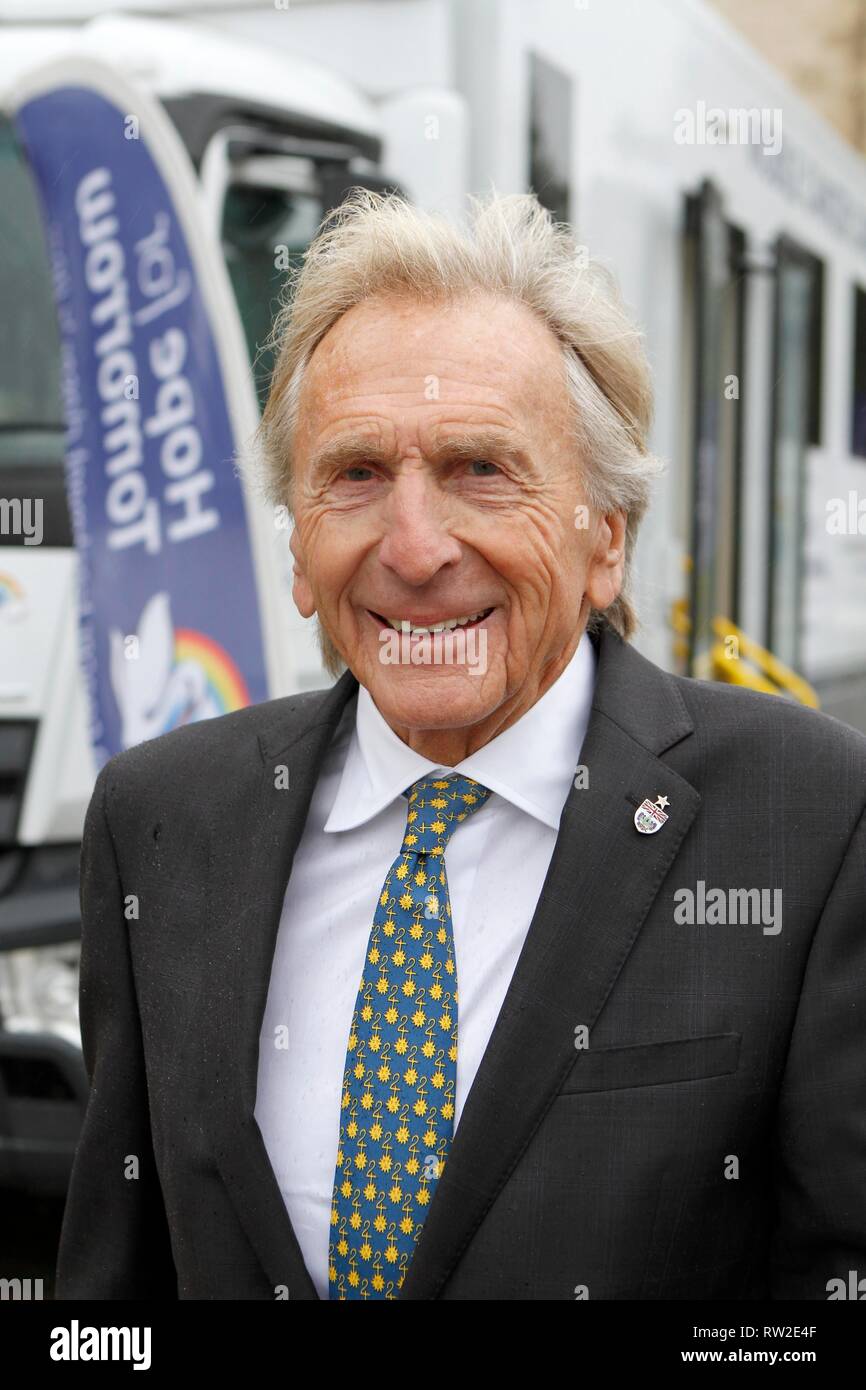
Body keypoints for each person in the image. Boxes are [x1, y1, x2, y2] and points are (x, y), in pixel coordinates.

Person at [56, 191, 866, 1300]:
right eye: (354, 476)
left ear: (603, 541)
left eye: (480, 468)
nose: (415, 546)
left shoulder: (805, 817)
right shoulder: (159, 819)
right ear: (298, 545)